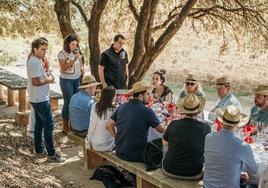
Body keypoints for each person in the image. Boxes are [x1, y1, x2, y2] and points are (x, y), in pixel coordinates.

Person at [106, 80, 165, 162]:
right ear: (141, 95)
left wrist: (117, 139)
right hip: (137, 155)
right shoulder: (147, 111)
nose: (150, 97)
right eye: (147, 94)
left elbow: (108, 125)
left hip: (119, 151)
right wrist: (169, 124)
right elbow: (161, 130)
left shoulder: (121, 106)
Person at [26, 38, 64, 162]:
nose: (44, 52)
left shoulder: (37, 60)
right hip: (40, 99)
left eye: (46, 49)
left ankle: (39, 150)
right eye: (42, 49)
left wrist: (47, 76)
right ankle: (52, 154)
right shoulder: (34, 62)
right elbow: (36, 81)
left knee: (39, 124)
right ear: (35, 49)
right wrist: (49, 79)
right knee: (49, 125)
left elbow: (38, 77)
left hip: (38, 97)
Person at [203, 105, 258, 188]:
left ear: (221, 121)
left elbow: (217, 161)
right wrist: (238, 168)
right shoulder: (243, 146)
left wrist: (236, 169)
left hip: (207, 185)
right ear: (238, 124)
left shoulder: (209, 137)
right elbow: (254, 170)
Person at [162, 93, 211, 179]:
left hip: (169, 169)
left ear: (183, 110)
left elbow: (164, 142)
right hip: (194, 173)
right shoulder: (206, 127)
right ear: (199, 111)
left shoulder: (173, 123)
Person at [58, 33, 84, 134]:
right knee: (68, 101)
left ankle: (73, 124)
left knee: (76, 101)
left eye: (76, 44)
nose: (74, 46)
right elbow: (63, 68)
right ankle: (65, 126)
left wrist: (82, 68)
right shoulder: (62, 53)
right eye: (72, 44)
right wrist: (74, 60)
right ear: (67, 44)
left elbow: (80, 63)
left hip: (76, 79)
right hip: (66, 80)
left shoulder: (76, 52)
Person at [87, 86, 116, 151]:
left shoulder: (95, 105)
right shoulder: (112, 110)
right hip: (105, 145)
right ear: (112, 97)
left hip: (92, 141)